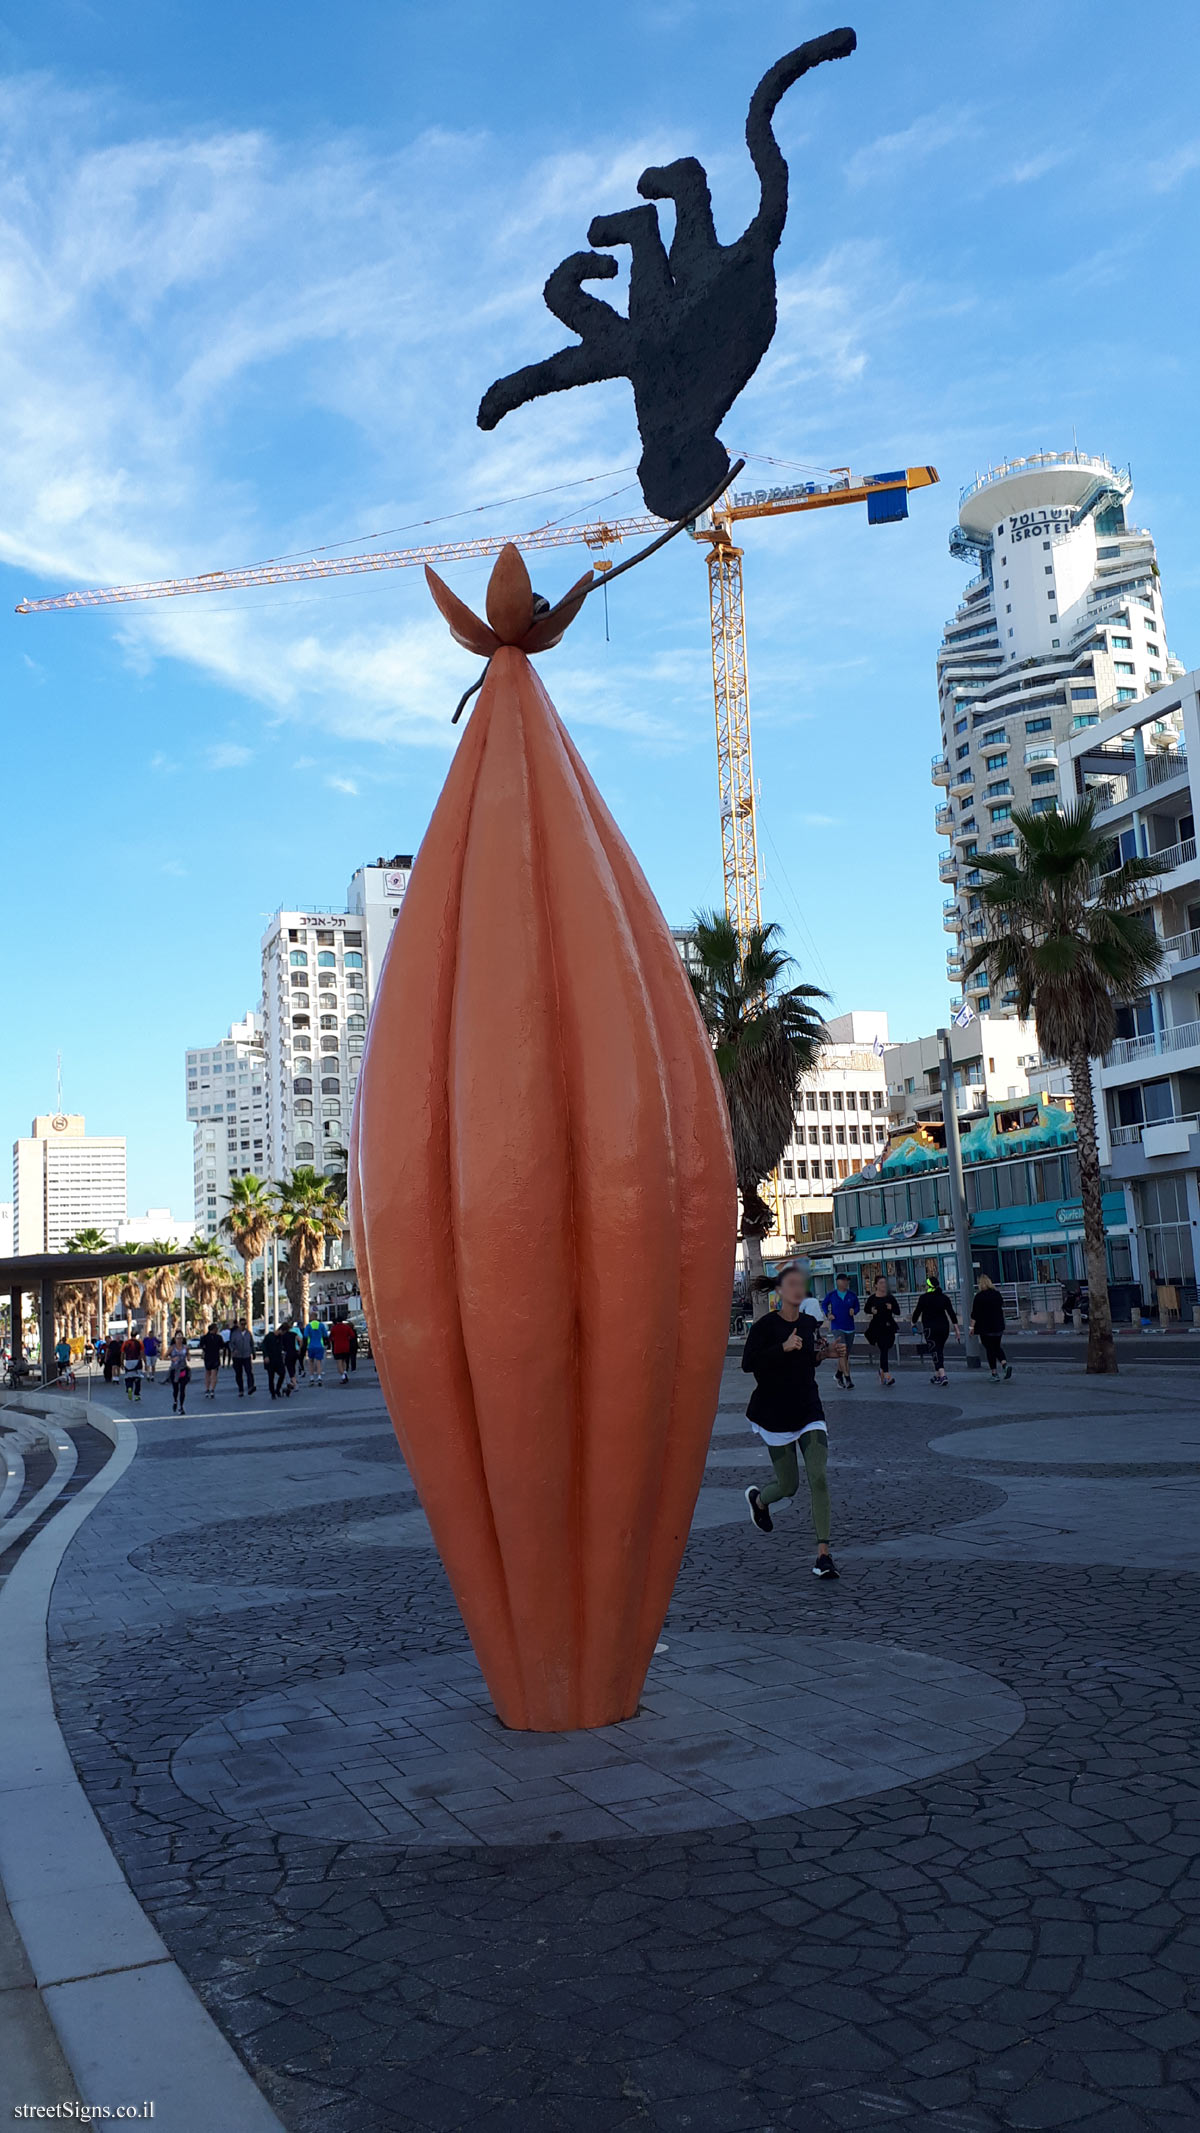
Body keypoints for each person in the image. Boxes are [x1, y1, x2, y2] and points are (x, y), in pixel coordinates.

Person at [740, 1265, 838, 1578]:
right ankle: (760, 1500)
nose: (798, 1289)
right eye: (791, 1284)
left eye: (801, 1284)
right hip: (774, 1415)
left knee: (818, 1477)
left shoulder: (809, 1324)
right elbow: (748, 1364)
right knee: (789, 1485)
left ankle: (823, 1554)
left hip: (809, 1410)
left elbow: (807, 1359)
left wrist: (826, 1355)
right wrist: (781, 1348)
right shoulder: (765, 1327)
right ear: (780, 1291)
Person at [912, 1274, 958, 1386]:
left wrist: (913, 1323)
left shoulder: (924, 1298)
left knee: (934, 1350)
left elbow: (917, 1312)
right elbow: (951, 1313)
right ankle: (937, 1375)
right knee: (939, 1349)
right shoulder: (944, 1298)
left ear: (929, 1286)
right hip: (944, 1327)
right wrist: (956, 1329)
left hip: (930, 1327)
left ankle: (942, 1374)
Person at [969, 1273, 1011, 1380]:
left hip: (985, 1328)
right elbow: (1001, 1306)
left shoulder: (979, 1297)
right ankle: (1005, 1364)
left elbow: (975, 1314)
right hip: (998, 1326)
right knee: (996, 1346)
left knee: (989, 1349)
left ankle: (994, 1373)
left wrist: (971, 1328)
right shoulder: (997, 1294)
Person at [822, 1273, 860, 1390]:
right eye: (843, 1281)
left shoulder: (852, 1295)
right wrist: (828, 1314)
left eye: (847, 1281)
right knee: (842, 1352)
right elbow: (824, 1304)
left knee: (845, 1355)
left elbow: (857, 1307)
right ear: (837, 1282)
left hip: (850, 1327)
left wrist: (854, 1311)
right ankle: (848, 1379)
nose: (845, 1283)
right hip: (837, 1327)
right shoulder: (832, 1295)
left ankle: (838, 1375)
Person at [862, 1276, 901, 1386]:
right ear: (876, 1285)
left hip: (889, 1326)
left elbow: (897, 1311)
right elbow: (866, 1309)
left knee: (886, 1347)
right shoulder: (872, 1298)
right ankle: (887, 1375)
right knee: (883, 1349)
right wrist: (871, 1311)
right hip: (877, 1327)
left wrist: (891, 1308)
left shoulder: (890, 1298)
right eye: (881, 1283)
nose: (884, 1285)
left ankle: (882, 1371)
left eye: (885, 1283)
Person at [229, 1321, 256, 1397]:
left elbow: (251, 1343)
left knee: (249, 1372)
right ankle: (241, 1389)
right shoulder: (234, 1333)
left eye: (245, 1324)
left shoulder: (248, 1333)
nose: (243, 1326)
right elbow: (231, 1343)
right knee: (238, 1373)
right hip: (237, 1356)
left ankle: (250, 1386)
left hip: (246, 1355)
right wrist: (234, 1350)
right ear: (239, 1325)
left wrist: (253, 1353)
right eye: (242, 1324)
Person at [167, 1331, 190, 1413]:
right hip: (174, 1370)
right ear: (175, 1339)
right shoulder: (172, 1348)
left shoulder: (186, 1347)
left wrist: (188, 1357)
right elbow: (163, 1357)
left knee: (183, 1389)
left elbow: (188, 1355)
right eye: (178, 1338)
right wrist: (172, 1359)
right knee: (176, 1389)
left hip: (183, 1369)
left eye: (181, 1338)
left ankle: (181, 1406)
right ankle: (175, 1401)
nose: (179, 1340)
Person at [200, 1322, 223, 1400]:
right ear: (214, 1329)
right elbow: (222, 1346)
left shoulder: (204, 1338)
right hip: (215, 1357)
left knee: (207, 1373)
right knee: (214, 1374)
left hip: (207, 1357)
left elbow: (201, 1346)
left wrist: (205, 1350)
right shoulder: (218, 1337)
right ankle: (212, 1389)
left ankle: (207, 1389)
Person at [261, 1325, 286, 1400]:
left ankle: (277, 1389)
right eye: (283, 1332)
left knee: (282, 1373)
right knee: (271, 1377)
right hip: (270, 1360)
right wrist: (266, 1356)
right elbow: (263, 1346)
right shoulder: (269, 1336)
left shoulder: (280, 1338)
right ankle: (272, 1393)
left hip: (278, 1360)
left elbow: (282, 1347)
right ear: (281, 1330)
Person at [330, 1316, 354, 1384]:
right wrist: (347, 1338)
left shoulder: (334, 1328)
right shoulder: (346, 1327)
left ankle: (343, 1376)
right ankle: (345, 1372)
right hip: (346, 1346)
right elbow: (352, 1335)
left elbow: (331, 1337)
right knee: (344, 1361)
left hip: (337, 1347)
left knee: (339, 1362)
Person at [121, 1332, 144, 1402]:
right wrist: (144, 1362)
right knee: (138, 1378)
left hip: (128, 1361)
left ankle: (129, 1388)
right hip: (137, 1361)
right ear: (137, 1336)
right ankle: (137, 1395)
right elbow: (142, 1353)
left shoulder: (125, 1343)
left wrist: (122, 1363)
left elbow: (122, 1353)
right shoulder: (139, 1343)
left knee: (128, 1377)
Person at [278, 1321, 299, 1396]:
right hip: (294, 1352)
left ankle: (295, 1384)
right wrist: (299, 1348)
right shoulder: (293, 1334)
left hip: (287, 1354)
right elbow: (300, 1339)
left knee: (289, 1369)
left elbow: (280, 1346)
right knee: (293, 1367)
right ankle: (293, 1382)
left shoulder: (282, 1336)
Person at [305, 1316, 327, 1384]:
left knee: (311, 1362)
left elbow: (305, 1335)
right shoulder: (321, 1325)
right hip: (320, 1345)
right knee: (319, 1362)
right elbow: (325, 1335)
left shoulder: (308, 1326)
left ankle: (311, 1377)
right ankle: (319, 1377)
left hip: (311, 1346)